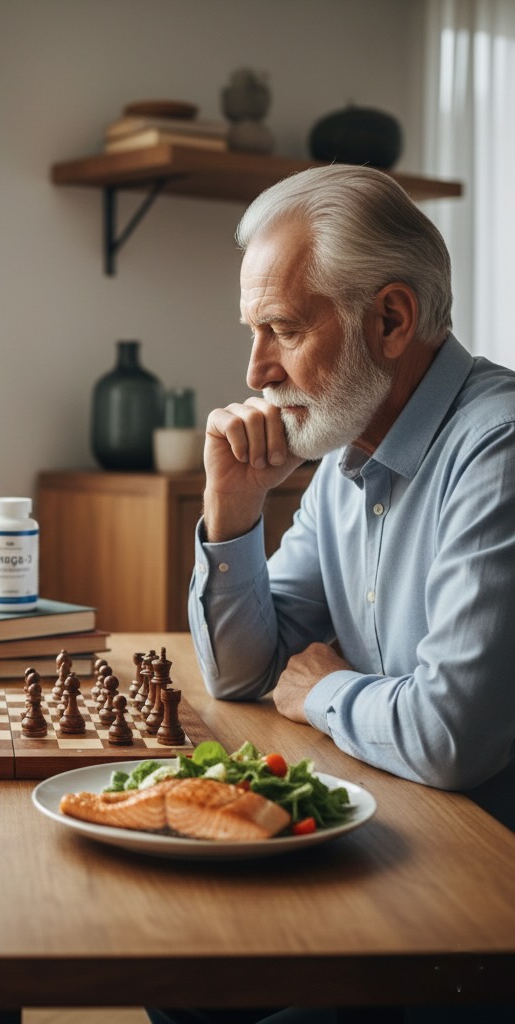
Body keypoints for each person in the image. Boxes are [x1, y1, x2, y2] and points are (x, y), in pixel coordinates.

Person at [149, 164, 515, 1024]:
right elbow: (244, 675)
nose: (255, 368)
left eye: (280, 328)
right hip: (393, 846)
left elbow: (449, 736)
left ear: (391, 319)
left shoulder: (498, 451)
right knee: (177, 981)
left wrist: (329, 691)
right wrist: (234, 510)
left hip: (484, 892)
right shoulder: (346, 455)